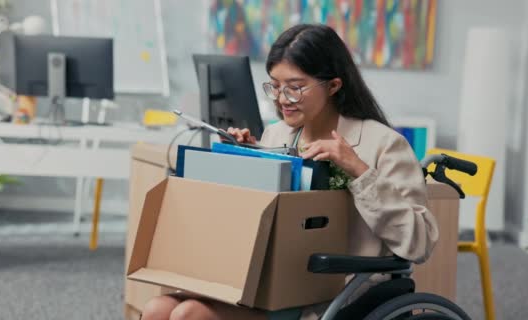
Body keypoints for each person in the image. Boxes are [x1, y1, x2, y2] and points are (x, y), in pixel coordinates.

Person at [141, 24, 438, 320]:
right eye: (275, 85)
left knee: (190, 314)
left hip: (336, 292)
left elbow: (420, 242)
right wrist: (245, 158)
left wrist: (359, 170)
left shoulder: (384, 145)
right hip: (273, 282)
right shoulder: (275, 136)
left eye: (294, 87)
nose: (282, 98)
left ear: (333, 86)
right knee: (158, 309)